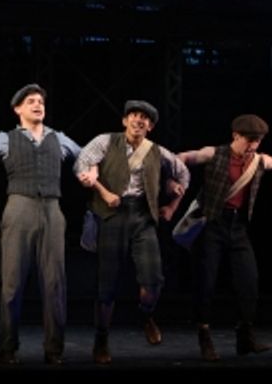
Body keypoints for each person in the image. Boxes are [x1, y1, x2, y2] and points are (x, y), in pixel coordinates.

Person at [0, 84, 82, 365]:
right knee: (13, 281)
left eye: (41, 101)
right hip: (19, 206)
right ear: (18, 109)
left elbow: (85, 158)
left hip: (52, 208)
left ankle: (54, 349)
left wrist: (92, 169)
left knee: (55, 283)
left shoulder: (58, 139)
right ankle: (8, 347)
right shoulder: (6, 139)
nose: (38, 105)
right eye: (31, 101)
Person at [74, 100, 190, 364]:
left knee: (153, 280)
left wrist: (172, 204)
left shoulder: (157, 152)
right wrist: (103, 192)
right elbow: (82, 165)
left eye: (145, 119)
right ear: (125, 121)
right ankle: (101, 338)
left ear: (150, 126)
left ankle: (146, 314)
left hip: (142, 216)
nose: (139, 121)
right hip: (112, 213)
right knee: (107, 283)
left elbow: (183, 174)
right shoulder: (106, 141)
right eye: (134, 116)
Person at [175, 114, 272, 361]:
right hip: (212, 223)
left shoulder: (258, 160)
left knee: (249, 281)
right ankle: (204, 336)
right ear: (236, 136)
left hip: (238, 227)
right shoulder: (216, 154)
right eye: (250, 140)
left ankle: (245, 336)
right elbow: (184, 158)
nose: (253, 146)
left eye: (258, 141)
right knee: (206, 283)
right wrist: (175, 180)